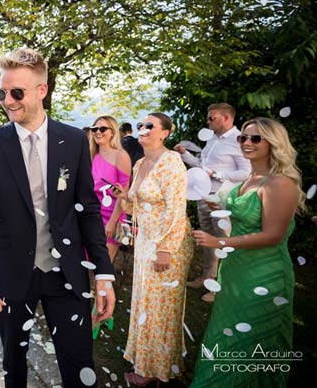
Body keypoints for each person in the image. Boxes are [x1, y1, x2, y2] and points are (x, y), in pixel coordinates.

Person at [0, 48, 116, 387]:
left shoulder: (75, 140)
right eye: (2, 93)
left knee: (79, 363)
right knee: (13, 363)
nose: (8, 100)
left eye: (16, 92)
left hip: (67, 271)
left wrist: (103, 272)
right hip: (12, 272)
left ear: (42, 90)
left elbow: (88, 210)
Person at [191, 117, 304, 388]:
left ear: (273, 143)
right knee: (225, 333)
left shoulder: (280, 183)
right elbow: (246, 215)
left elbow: (272, 235)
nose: (246, 143)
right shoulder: (251, 176)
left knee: (247, 339)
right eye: (243, 137)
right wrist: (219, 204)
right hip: (235, 272)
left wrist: (219, 243)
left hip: (263, 275)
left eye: (256, 138)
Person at [116, 113, 194, 386]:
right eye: (140, 125)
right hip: (145, 243)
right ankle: (146, 361)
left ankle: (153, 370)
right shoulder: (139, 163)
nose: (143, 129)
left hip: (167, 244)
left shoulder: (171, 162)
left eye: (150, 126)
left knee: (162, 308)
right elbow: (135, 207)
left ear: (165, 133)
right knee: (144, 304)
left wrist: (166, 250)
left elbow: (176, 210)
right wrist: (123, 197)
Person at [174, 103, 250, 303]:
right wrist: (184, 154)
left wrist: (216, 174)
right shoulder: (212, 140)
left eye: (212, 118)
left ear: (226, 118)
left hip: (223, 198)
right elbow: (202, 166)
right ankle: (208, 277)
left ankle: (221, 287)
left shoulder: (238, 140)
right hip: (203, 195)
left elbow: (246, 172)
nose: (207, 121)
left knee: (224, 240)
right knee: (208, 239)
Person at [89, 115, 132, 262]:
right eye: (94, 129)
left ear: (112, 132)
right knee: (87, 265)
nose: (97, 132)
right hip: (92, 215)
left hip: (113, 217)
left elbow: (123, 193)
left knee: (103, 266)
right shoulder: (92, 155)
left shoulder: (121, 156)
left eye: (103, 128)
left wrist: (112, 222)